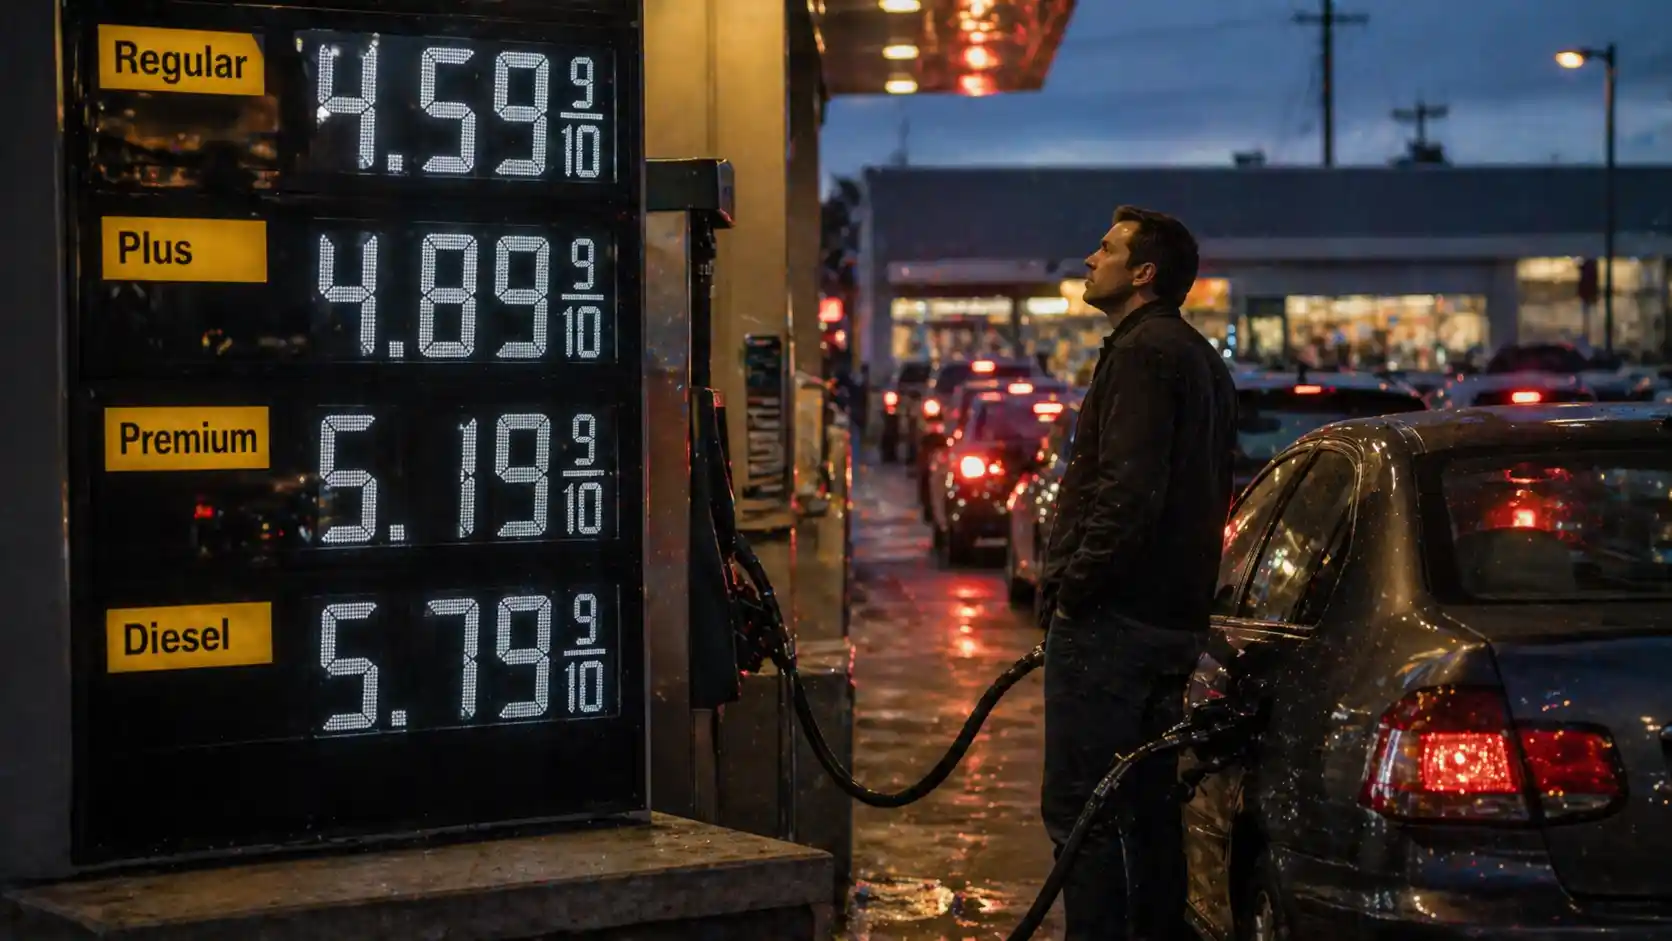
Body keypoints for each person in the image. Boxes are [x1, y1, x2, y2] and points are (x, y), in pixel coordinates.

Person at [1037, 206, 1238, 940]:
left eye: (1107, 248)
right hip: (1170, 622)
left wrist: (1074, 593)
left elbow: (1127, 493)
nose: (1091, 259)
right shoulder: (1196, 356)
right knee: (1148, 808)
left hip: (1116, 625)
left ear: (1143, 272)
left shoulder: (1143, 354)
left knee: (1084, 809)